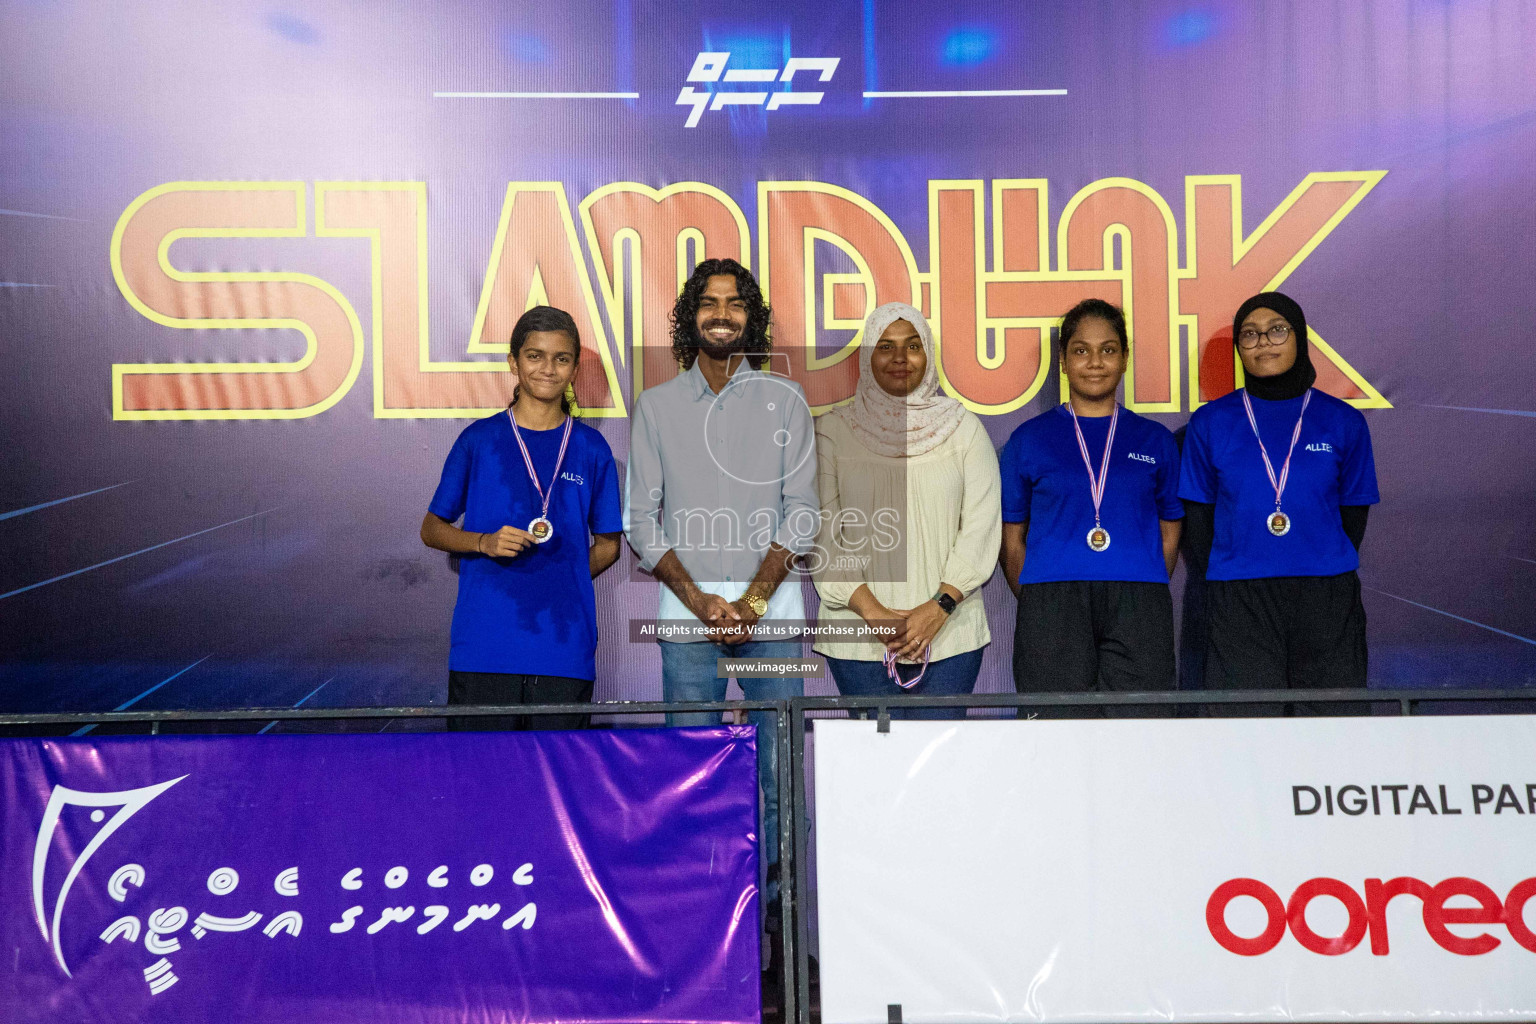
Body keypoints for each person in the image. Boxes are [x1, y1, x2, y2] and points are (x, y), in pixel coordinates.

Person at [623, 257, 818, 908]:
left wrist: (753, 600)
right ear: (690, 315)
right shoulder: (656, 407)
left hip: (775, 622)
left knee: (779, 774)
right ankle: (705, 923)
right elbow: (640, 524)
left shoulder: (785, 400)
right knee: (692, 772)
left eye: (735, 303)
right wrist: (702, 601)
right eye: (709, 302)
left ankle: (781, 927)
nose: (722, 313)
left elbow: (804, 513)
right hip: (686, 626)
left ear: (751, 317)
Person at [421, 306, 622, 730]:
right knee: (480, 784)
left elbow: (608, 545)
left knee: (556, 786)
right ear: (514, 362)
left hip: (564, 648)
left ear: (574, 368)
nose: (547, 368)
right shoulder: (478, 439)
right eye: (535, 355)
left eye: (561, 358)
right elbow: (432, 528)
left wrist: (564, 575)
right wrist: (483, 543)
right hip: (484, 647)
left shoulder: (593, 448)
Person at [1179, 291, 1379, 714]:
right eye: (1249, 335)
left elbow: (1352, 516)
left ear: (1299, 337)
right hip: (1240, 597)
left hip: (1326, 595)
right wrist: (1242, 562)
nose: (1263, 342)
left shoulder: (1343, 421)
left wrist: (1314, 557)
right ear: (1238, 348)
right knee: (1244, 731)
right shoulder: (1210, 424)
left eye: (1276, 330)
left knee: (1332, 728)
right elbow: (1198, 522)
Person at [812, 302, 999, 718]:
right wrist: (874, 614)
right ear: (867, 357)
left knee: (939, 771)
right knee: (875, 771)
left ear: (928, 355)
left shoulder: (962, 427)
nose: (900, 358)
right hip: (858, 638)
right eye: (885, 346)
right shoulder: (832, 431)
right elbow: (823, 536)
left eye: (913, 346)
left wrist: (939, 607)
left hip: (951, 636)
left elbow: (982, 527)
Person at [999, 299, 1184, 716]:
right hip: (1052, 600)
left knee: (1142, 730)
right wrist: (1039, 597)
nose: (1095, 362)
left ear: (1124, 359)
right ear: (1063, 362)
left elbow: (1170, 528)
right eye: (1081, 350)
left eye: (1108, 349)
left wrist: (1142, 575)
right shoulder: (1028, 440)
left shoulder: (1154, 440)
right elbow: (1012, 539)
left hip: (1140, 599)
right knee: (1056, 734)